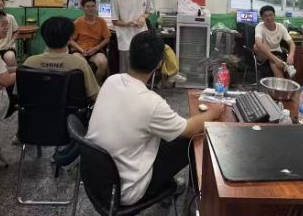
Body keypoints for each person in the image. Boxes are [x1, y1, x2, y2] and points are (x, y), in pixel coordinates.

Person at [86, 31, 225, 205]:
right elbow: (188, 129)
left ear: (129, 56)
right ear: (159, 63)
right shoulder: (151, 103)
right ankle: (183, 196)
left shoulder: (111, 81)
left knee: (162, 133)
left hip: (93, 176)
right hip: (124, 190)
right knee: (191, 140)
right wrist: (213, 113)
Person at [23, 16, 101, 101]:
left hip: (36, 109)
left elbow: (20, 93)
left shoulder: (29, 62)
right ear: (70, 38)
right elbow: (94, 95)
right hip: (72, 109)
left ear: (43, 37)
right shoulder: (79, 63)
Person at [111, 0, 154, 74]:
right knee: (126, 70)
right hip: (125, 39)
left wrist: (143, 17)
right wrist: (128, 23)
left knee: (142, 68)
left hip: (142, 37)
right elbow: (115, 21)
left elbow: (149, 10)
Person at [69, 0, 111, 82]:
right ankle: (84, 85)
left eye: (93, 6)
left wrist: (96, 48)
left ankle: (94, 84)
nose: (90, 9)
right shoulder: (78, 22)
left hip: (95, 50)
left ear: (96, 7)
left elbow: (107, 39)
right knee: (81, 63)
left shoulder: (101, 21)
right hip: (79, 50)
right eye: (87, 6)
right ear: (83, 8)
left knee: (103, 62)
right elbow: (70, 40)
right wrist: (81, 50)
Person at [254, 5, 296, 79]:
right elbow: (258, 43)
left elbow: (291, 43)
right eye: (266, 16)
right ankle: (285, 66)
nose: (269, 18)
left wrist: (291, 55)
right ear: (262, 18)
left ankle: (281, 85)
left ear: (274, 15)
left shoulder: (281, 27)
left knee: (274, 64)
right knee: (256, 46)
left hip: (277, 52)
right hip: (263, 54)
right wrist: (275, 59)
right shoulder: (259, 26)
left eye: (270, 15)